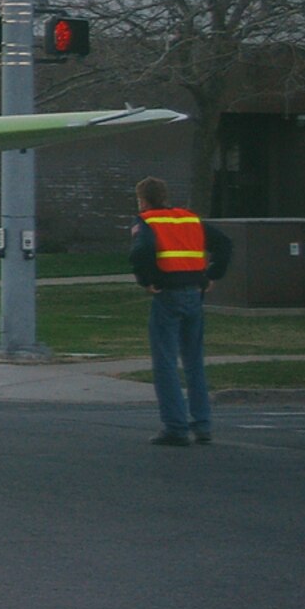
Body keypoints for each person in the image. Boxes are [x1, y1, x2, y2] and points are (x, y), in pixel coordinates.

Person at [129, 176, 233, 446]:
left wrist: (147, 280)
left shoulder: (148, 222)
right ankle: (202, 424)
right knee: (194, 361)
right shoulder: (189, 219)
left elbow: (140, 253)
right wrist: (212, 274)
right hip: (194, 293)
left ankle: (175, 426)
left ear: (143, 200)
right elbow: (224, 244)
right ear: (165, 196)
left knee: (165, 361)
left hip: (168, 294)